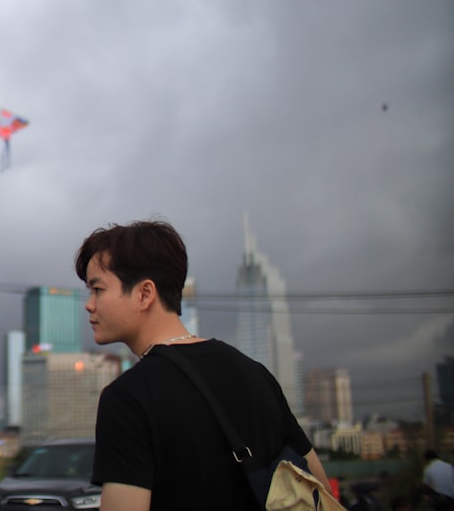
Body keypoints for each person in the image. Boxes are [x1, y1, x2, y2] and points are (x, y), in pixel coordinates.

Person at [75, 219, 332, 511]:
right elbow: (319, 488)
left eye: (97, 289)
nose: (89, 304)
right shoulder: (256, 374)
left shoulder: (127, 398)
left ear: (145, 294)